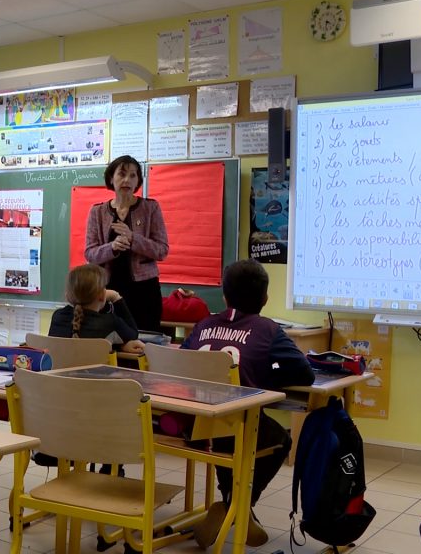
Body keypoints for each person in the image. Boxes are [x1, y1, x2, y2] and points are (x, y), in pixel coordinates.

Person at [181, 259, 315, 549]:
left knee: (223, 431)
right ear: (265, 299)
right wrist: (268, 373)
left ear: (225, 297)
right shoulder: (267, 330)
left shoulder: (203, 325)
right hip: (235, 426)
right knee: (279, 440)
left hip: (192, 428)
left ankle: (230, 501)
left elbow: (181, 362)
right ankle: (239, 504)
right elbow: (305, 374)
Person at [85, 154, 169, 333]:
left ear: (138, 180)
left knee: (143, 344)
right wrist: (112, 247)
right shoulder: (97, 212)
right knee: (109, 344)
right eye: (121, 174)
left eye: (133, 175)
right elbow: (90, 254)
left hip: (145, 291)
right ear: (111, 178)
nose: (127, 180)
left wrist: (133, 238)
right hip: (106, 290)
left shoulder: (150, 208)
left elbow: (162, 250)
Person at [48, 263, 145, 354]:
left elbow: (74, 348)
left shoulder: (58, 316)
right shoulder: (110, 322)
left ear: (68, 295)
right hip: (94, 372)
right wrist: (116, 298)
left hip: (53, 372)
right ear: (102, 295)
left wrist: (116, 347)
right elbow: (133, 335)